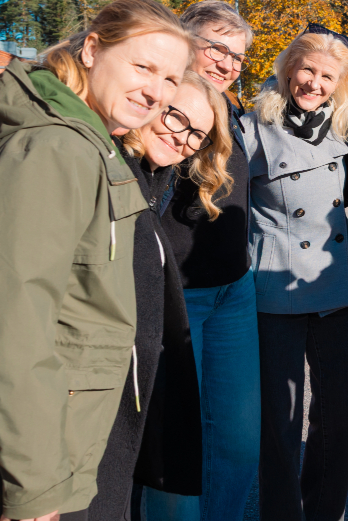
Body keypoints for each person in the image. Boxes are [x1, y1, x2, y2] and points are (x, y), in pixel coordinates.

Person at [0, 0, 192, 521]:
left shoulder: (81, 139)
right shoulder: (55, 148)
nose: (156, 90)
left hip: (2, 455)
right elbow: (13, 327)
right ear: (91, 50)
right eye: (143, 66)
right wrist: (36, 486)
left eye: (172, 79)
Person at [90, 71, 231, 520]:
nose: (183, 138)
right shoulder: (100, 163)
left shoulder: (155, 177)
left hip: (122, 383)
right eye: (177, 117)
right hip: (87, 389)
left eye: (197, 135)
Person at [146, 0, 260, 521]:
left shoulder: (232, 113)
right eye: (217, 47)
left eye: (238, 57)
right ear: (182, 39)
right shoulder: (156, 104)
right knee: (177, 440)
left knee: (238, 440)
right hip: (176, 296)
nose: (228, 63)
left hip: (233, 290)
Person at [243, 27, 348, 521]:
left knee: (335, 420)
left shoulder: (345, 131)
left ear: (340, 84)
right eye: (307, 70)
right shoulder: (251, 129)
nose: (314, 82)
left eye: (326, 76)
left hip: (336, 288)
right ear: (289, 69)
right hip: (275, 290)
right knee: (281, 422)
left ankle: (324, 512)